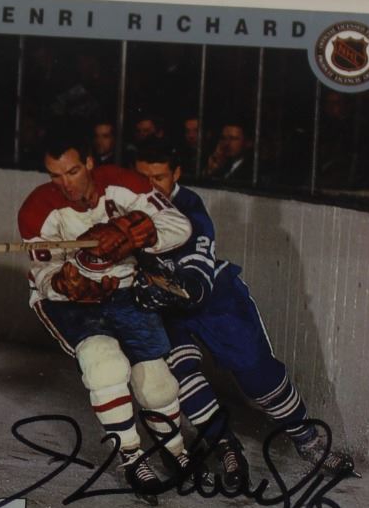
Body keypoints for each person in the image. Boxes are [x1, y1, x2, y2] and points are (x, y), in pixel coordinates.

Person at [131, 143, 355, 481]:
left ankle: (308, 441)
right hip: (168, 308)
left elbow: (196, 276)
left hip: (215, 298)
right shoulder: (125, 203)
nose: (150, 187)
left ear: (176, 174)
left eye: (159, 177)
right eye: (142, 177)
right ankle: (225, 447)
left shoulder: (190, 209)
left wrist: (175, 285)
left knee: (257, 373)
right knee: (180, 373)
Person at [17, 125, 194, 499]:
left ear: (89, 162)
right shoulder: (38, 209)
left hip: (125, 289)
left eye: (73, 171)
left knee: (156, 382)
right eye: (55, 175)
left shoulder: (122, 183)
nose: (65, 184)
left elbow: (179, 225)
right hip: (71, 303)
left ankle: (176, 450)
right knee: (105, 365)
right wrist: (63, 283)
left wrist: (137, 231)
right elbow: (43, 272)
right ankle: (130, 455)